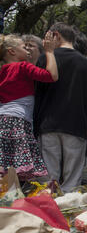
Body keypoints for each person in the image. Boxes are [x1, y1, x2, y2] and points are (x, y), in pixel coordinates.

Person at [34, 22, 87, 193]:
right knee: (72, 181)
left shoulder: (45, 58)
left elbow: (37, 93)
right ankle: (69, 214)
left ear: (56, 36)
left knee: (48, 181)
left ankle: (47, 215)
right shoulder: (85, 63)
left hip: (48, 124)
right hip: (75, 125)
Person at [0, 33, 58, 181]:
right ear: (12, 51)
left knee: (5, 166)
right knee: (17, 168)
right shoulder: (23, 67)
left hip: (3, 120)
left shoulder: (2, 71)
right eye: (23, 46)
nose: (27, 49)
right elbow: (51, 76)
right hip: (17, 121)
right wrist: (49, 52)